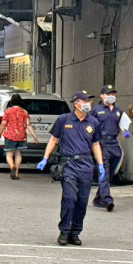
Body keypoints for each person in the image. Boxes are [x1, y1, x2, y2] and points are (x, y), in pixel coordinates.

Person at [37, 91, 104, 246]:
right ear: (76, 103)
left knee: (82, 201)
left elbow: (95, 144)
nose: (88, 103)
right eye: (84, 101)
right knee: (69, 198)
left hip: (86, 165)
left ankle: (75, 232)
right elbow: (53, 140)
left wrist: (100, 164)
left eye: (89, 101)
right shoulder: (64, 119)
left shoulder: (93, 122)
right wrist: (45, 157)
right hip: (68, 165)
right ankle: (64, 231)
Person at [91, 85, 130, 209]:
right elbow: (90, 126)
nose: (111, 96)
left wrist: (126, 131)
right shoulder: (96, 110)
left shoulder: (118, 111)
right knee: (105, 170)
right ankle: (107, 199)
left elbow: (124, 124)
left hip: (114, 143)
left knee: (111, 171)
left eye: (113, 94)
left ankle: (99, 197)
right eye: (108, 94)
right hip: (102, 143)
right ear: (102, 96)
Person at [0, 93, 39, 180]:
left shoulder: (8, 111)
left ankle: (12, 166)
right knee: (18, 153)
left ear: (11, 102)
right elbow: (28, 125)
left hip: (10, 135)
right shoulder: (24, 112)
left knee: (9, 154)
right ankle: (17, 173)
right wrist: (34, 136)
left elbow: (3, 124)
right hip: (21, 136)